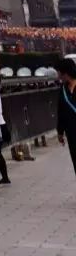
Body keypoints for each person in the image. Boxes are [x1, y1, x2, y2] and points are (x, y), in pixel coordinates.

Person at [57, 55, 76, 185]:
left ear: (65, 73)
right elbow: (61, 111)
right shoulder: (63, 89)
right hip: (72, 132)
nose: (58, 75)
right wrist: (60, 131)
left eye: (59, 72)